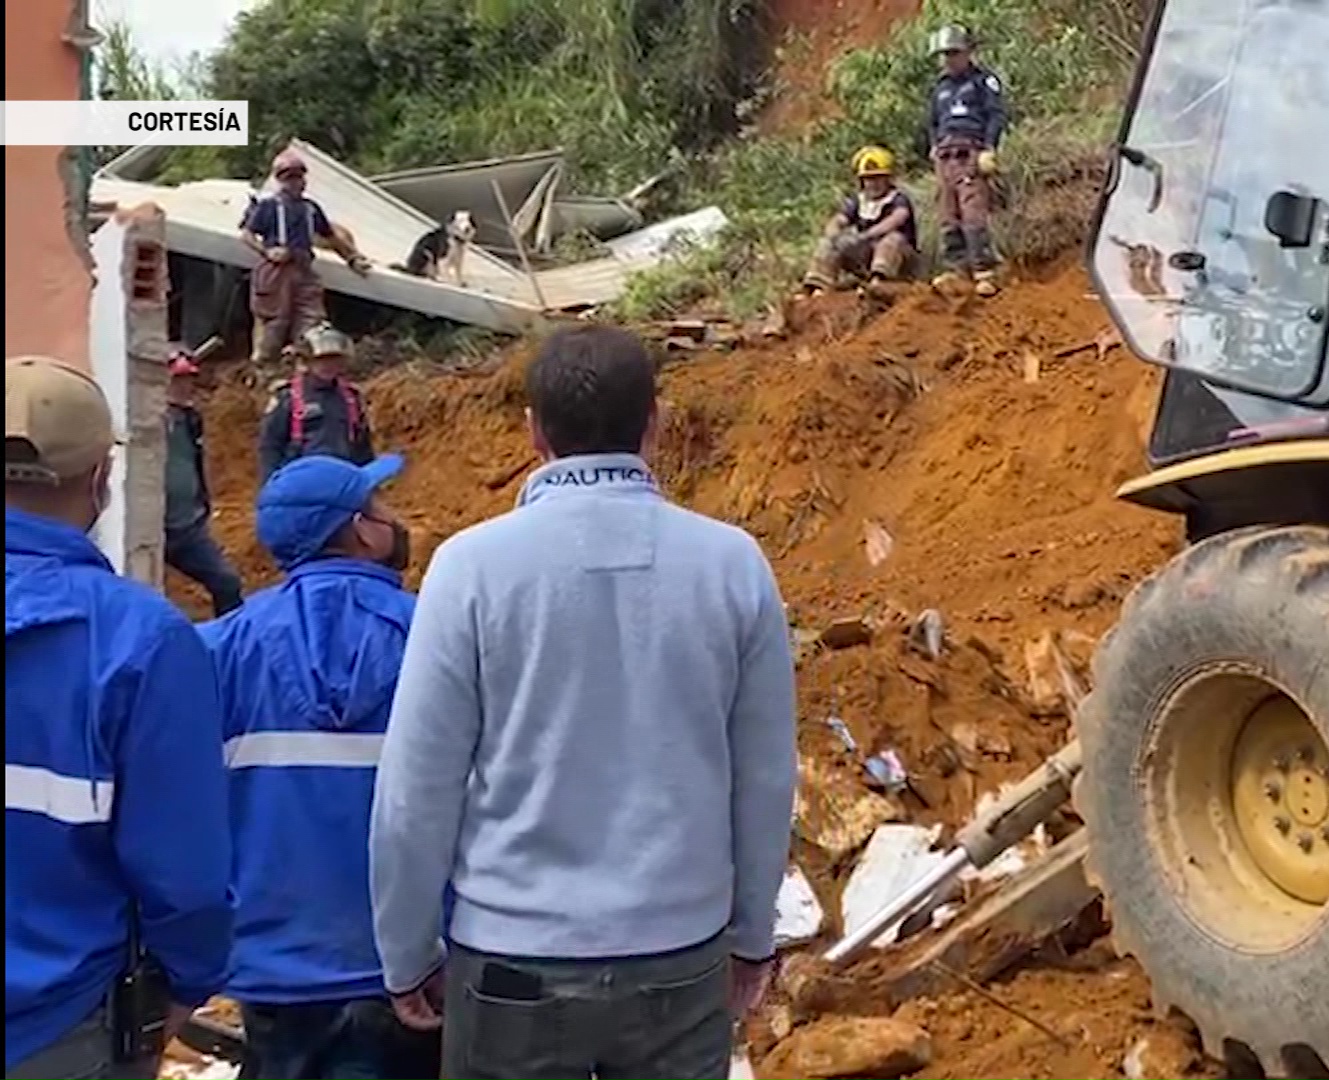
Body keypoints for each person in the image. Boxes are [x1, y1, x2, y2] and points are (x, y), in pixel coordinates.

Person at [370, 326, 798, 1080]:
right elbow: (764, 775)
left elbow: (416, 789)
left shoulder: (470, 568)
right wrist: (752, 935)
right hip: (680, 954)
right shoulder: (733, 565)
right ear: (656, 423)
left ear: (532, 429)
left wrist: (407, 952)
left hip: (510, 964)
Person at [5, 357, 234, 1080]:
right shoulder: (143, 642)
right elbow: (185, 872)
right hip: (59, 1027)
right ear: (102, 479)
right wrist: (188, 978)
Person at [199, 453, 440, 1080]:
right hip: (410, 965)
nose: (395, 518)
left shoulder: (217, 650)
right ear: (362, 529)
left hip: (275, 967)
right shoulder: (438, 636)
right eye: (381, 507)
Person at [242, 148, 372, 365]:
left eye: (298, 177)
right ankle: (262, 371)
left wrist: (352, 258)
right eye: (289, 178)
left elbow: (332, 237)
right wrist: (267, 251)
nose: (295, 182)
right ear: (280, 180)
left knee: (311, 322)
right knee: (273, 324)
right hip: (277, 272)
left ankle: (300, 367)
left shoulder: (310, 209)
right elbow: (247, 235)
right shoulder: (268, 207)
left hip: (304, 268)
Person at [923, 24, 1008, 297]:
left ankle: (985, 270)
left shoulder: (983, 80)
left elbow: (996, 115)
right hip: (945, 155)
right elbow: (933, 121)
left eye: (954, 53)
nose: (949, 59)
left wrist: (990, 147)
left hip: (971, 151)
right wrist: (934, 146)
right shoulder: (940, 88)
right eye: (944, 54)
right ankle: (956, 269)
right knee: (948, 214)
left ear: (967, 52)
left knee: (973, 211)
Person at [163, 349, 245, 615]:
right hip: (153, 525)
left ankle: (231, 645)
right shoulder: (147, 423)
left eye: (188, 380)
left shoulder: (190, 419)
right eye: (178, 380)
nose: (186, 387)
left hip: (187, 526)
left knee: (227, 582)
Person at [259, 324, 377, 485]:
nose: (328, 365)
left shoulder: (351, 397)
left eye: (334, 359)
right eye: (321, 360)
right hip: (300, 482)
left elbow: (362, 447)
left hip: (342, 479)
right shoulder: (288, 397)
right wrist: (270, 484)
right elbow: (270, 445)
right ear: (307, 361)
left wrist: (367, 484)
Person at [800, 146, 920, 295]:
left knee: (893, 239)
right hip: (866, 256)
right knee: (828, 243)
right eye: (868, 178)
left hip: (899, 259)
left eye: (878, 177)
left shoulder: (898, 199)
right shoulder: (858, 201)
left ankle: (880, 281)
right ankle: (818, 286)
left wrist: (867, 235)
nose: (873, 183)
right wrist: (835, 235)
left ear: (888, 178)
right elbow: (839, 219)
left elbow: (897, 218)